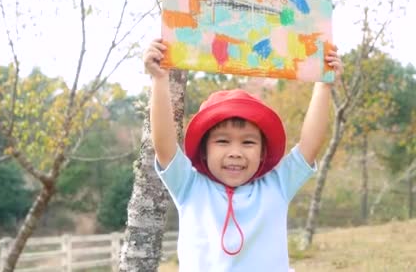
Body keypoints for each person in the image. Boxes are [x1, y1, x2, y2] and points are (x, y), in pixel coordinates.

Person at [143, 38, 342, 271]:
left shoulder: (276, 185)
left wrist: (324, 85)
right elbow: (164, 145)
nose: (235, 152)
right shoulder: (189, 186)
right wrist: (159, 79)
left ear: (262, 152)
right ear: (204, 151)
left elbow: (310, 144)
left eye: (248, 142)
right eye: (223, 141)